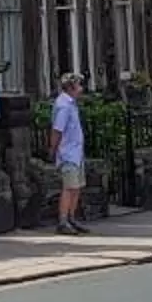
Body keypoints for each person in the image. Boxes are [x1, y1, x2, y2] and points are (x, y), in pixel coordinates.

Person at [49, 72, 89, 235]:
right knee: (69, 187)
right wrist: (53, 149)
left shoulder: (71, 104)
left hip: (76, 153)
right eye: (79, 85)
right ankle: (63, 221)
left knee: (76, 187)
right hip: (68, 153)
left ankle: (71, 218)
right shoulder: (64, 106)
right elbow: (57, 130)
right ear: (71, 87)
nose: (81, 88)